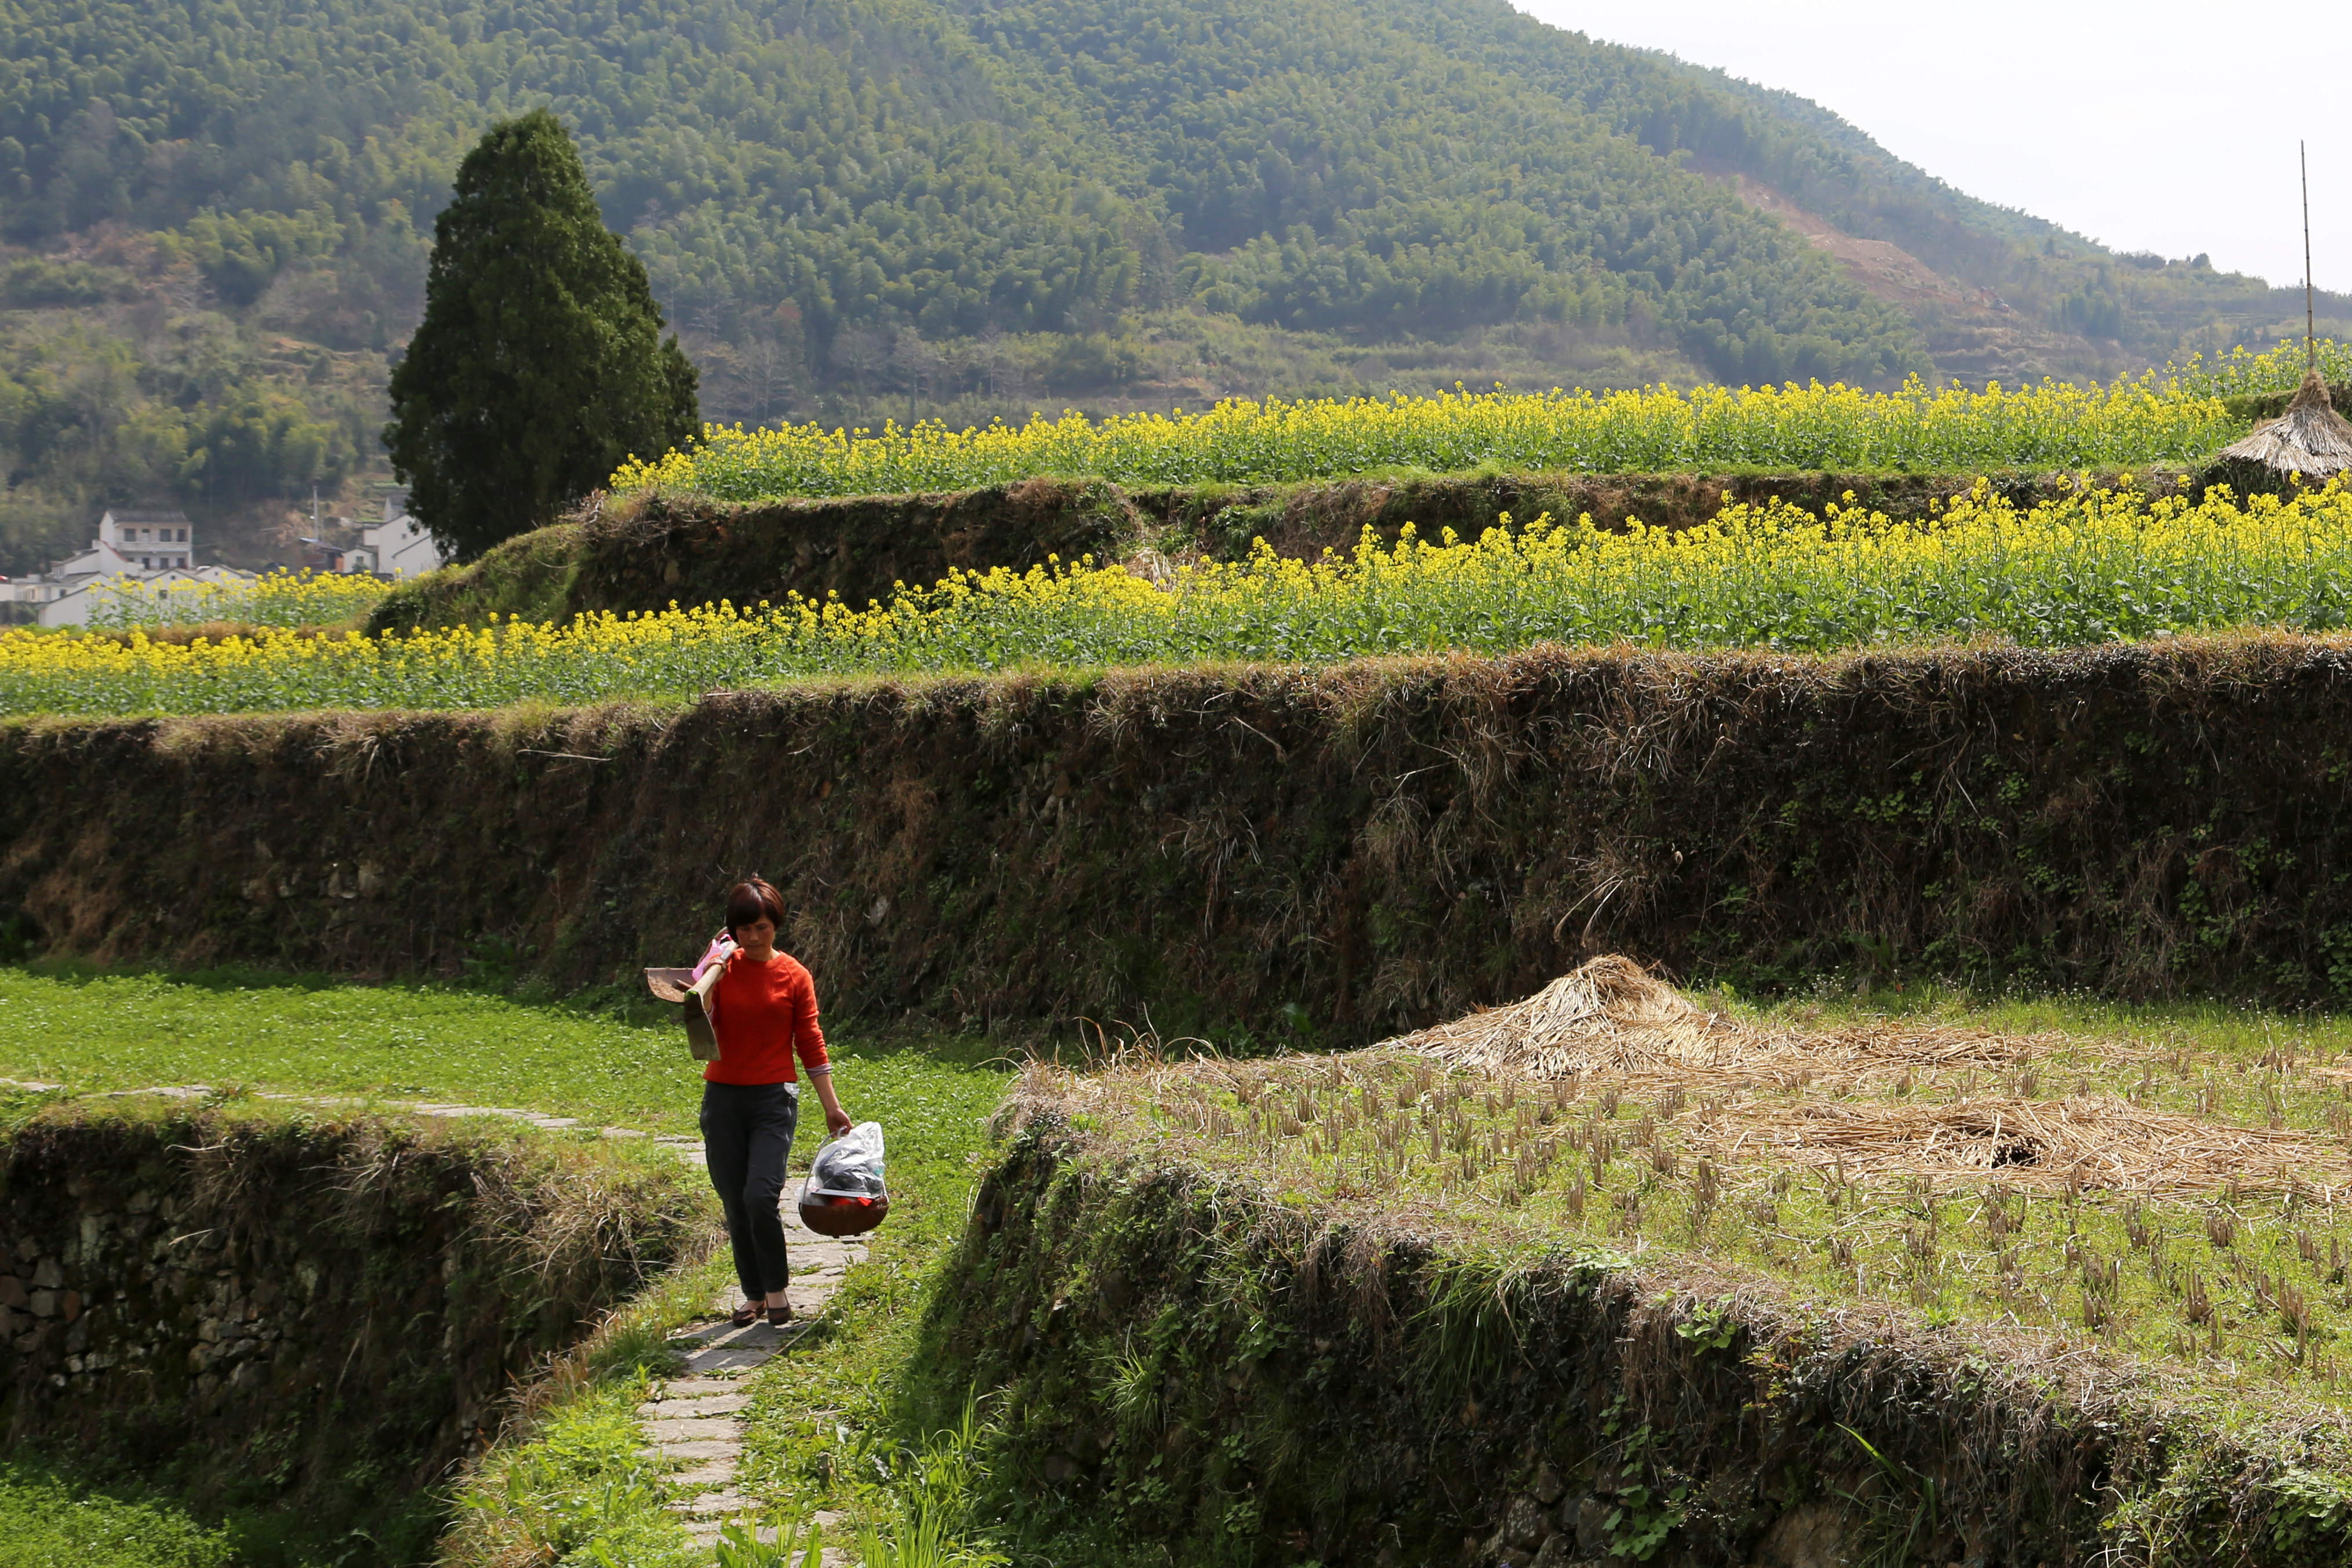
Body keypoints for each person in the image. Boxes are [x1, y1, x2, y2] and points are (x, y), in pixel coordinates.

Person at [693, 876, 852, 1327]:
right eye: (744, 929)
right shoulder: (720, 970)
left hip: (772, 1099)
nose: (753, 937)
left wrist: (831, 1106)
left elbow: (810, 1041)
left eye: (762, 927)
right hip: (722, 1097)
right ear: (733, 930)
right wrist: (706, 973)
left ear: (776, 925)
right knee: (733, 1199)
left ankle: (777, 1288)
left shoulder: (794, 975)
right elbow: (698, 1024)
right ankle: (754, 1293)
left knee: (759, 1195)